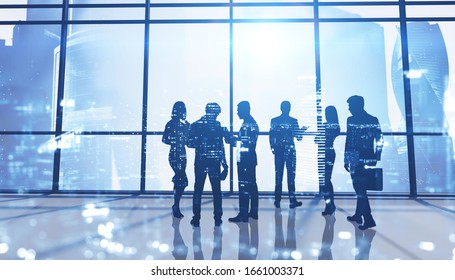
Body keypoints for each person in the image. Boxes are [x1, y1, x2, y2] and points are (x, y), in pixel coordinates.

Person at [344, 95, 383, 230]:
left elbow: (378, 138)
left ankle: (368, 218)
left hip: (360, 159)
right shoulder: (371, 119)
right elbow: (379, 138)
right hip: (361, 158)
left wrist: (377, 157)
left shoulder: (357, 120)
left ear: (358, 105)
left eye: (350, 106)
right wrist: (376, 156)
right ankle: (358, 215)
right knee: (359, 189)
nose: (348, 109)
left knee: (360, 189)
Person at [187, 102, 228, 227]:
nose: (216, 116)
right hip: (212, 162)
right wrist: (224, 164)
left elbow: (220, 145)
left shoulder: (199, 125)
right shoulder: (207, 125)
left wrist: (225, 165)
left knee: (199, 190)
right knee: (214, 191)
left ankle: (197, 218)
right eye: (216, 114)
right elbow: (189, 142)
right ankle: (216, 218)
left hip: (203, 162)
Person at [269, 101, 308, 208]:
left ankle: (277, 200)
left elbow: (271, 135)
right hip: (290, 151)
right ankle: (292, 200)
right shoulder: (293, 121)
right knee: (291, 176)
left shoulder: (274, 120)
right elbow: (298, 138)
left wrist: (272, 147)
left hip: (279, 151)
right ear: (289, 108)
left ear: (281, 108)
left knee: (278, 175)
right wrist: (302, 131)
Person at [229, 101, 259, 223]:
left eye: (238, 110)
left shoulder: (249, 124)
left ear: (244, 110)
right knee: (252, 185)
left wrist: (233, 141)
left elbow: (247, 144)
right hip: (249, 159)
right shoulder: (250, 123)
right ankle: (253, 212)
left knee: (244, 186)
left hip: (246, 160)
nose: (237, 112)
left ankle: (244, 214)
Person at [162, 101, 190, 219]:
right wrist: (176, 141)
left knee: (180, 179)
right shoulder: (171, 124)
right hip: (175, 153)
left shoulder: (183, 124)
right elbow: (164, 139)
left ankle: (176, 205)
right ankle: (176, 206)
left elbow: (188, 141)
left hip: (181, 153)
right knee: (182, 179)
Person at [315, 106, 340, 215]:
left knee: (325, 180)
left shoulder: (327, 126)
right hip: (328, 153)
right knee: (326, 180)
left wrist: (321, 133)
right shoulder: (336, 126)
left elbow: (316, 139)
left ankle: (329, 205)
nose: (325, 115)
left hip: (326, 154)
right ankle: (330, 204)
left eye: (326, 113)